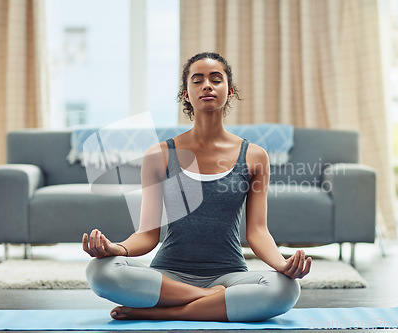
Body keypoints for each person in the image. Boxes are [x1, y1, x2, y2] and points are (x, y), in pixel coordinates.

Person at [82, 52, 312, 322]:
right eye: (198, 80)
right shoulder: (159, 154)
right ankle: (207, 300)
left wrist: (282, 265)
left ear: (230, 91)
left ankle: (164, 312)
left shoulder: (254, 156)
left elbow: (258, 232)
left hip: (229, 275)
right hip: (168, 275)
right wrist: (116, 249)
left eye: (216, 79)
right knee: (100, 272)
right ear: (186, 94)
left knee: (285, 289)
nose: (207, 85)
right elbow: (146, 235)